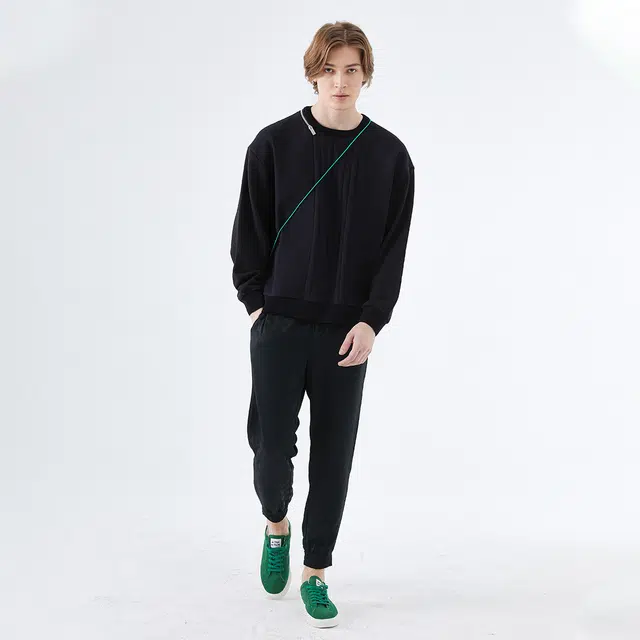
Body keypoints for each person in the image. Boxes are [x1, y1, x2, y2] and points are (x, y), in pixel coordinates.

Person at [230, 20, 415, 628]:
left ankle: (316, 571)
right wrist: (257, 304)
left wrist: (372, 322)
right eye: (330, 70)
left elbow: (392, 250)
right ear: (313, 74)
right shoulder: (273, 144)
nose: (340, 82)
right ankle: (276, 525)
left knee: (333, 457)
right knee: (270, 451)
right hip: (280, 324)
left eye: (352, 70)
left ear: (366, 76)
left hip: (346, 333)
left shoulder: (389, 155)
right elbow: (249, 230)